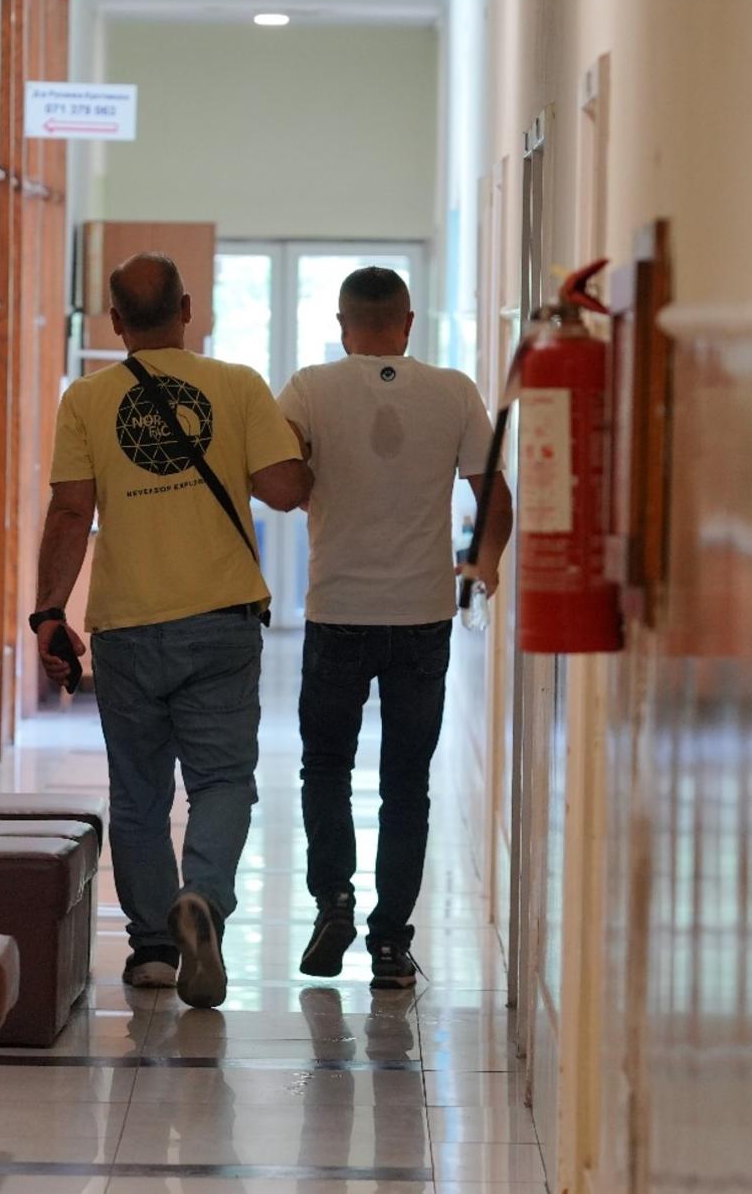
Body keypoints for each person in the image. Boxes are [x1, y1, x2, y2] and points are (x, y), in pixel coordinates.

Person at [32, 252, 312, 1008]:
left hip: (127, 626)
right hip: (219, 621)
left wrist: (50, 612)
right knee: (222, 781)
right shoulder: (238, 385)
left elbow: (70, 511)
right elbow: (286, 490)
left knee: (138, 794)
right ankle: (204, 899)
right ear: (188, 310)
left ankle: (155, 948)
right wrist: (304, 450)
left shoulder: (87, 399)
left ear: (115, 321)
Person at [276, 266, 513, 988]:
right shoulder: (454, 390)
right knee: (407, 783)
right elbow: (495, 497)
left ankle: (334, 902)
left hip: (337, 611)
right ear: (408, 323)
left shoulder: (309, 388)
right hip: (421, 615)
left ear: (341, 324)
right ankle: (389, 946)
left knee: (325, 767)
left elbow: (281, 481)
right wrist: (484, 565)